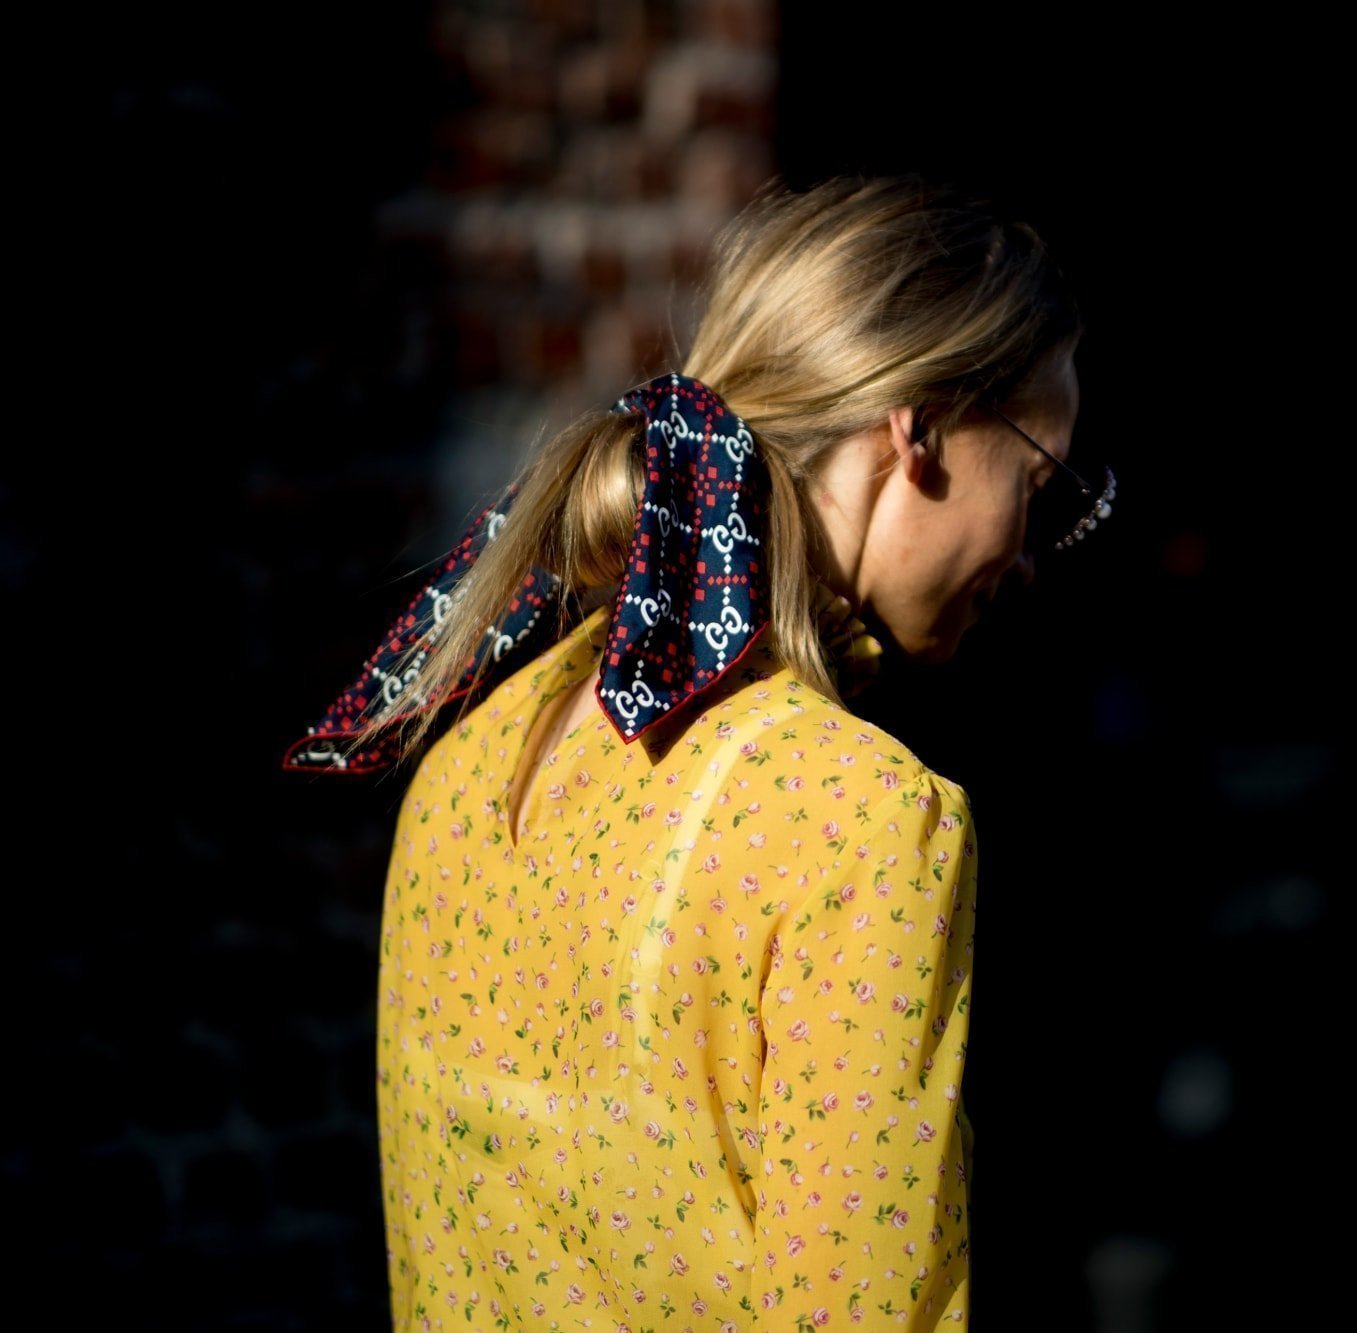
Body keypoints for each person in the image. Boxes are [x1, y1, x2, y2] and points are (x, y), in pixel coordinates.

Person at [283, 174, 1113, 1331]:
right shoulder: (862, 820)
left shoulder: (470, 756)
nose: (1030, 554)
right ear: (916, 428)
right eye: (1040, 483)